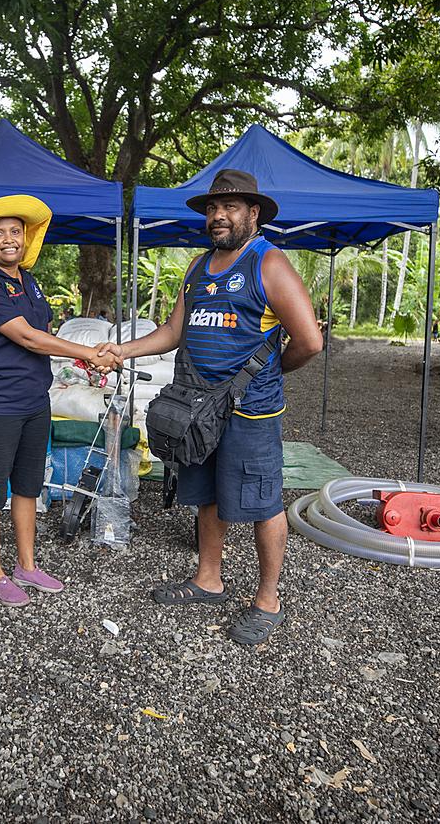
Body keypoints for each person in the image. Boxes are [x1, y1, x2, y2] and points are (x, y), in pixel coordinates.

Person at [96, 169, 323, 645]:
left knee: (263, 503)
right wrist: (122, 350)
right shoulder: (199, 268)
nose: (219, 216)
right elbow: (171, 333)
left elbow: (309, 341)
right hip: (196, 409)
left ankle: (267, 600)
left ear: (253, 214)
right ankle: (208, 580)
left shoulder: (268, 263)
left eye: (231, 207)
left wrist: (270, 372)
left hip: (250, 411)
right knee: (206, 495)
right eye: (213, 209)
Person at [0, 194, 118, 608]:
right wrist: (88, 351)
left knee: (28, 487)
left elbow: (41, 338)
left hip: (34, 402)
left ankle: (27, 565)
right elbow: (25, 335)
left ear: (25, 238)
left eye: (15, 232)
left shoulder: (29, 280)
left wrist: (83, 362)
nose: (9, 239)